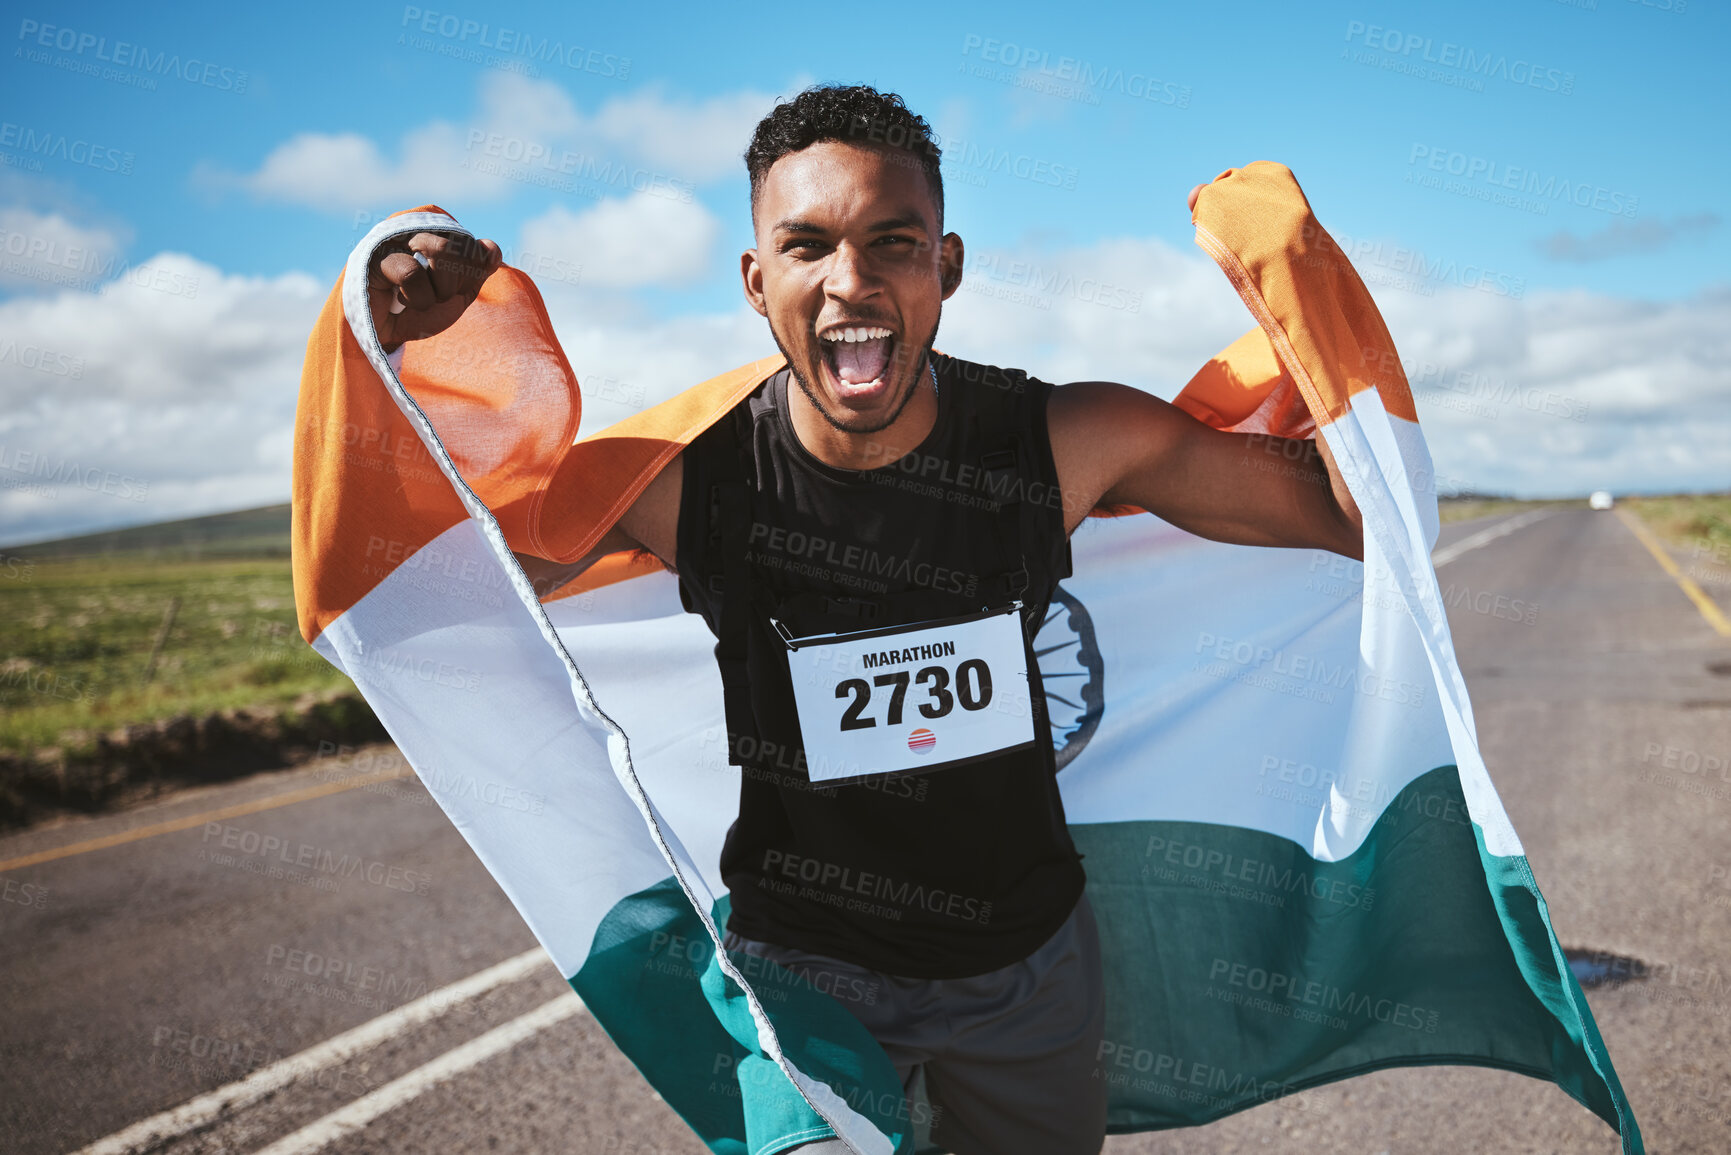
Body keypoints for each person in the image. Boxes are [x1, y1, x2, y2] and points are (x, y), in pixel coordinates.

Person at [367, 85, 1362, 1155]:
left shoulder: (1066, 439)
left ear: (949, 266)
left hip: (1023, 973)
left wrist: (1304, 287)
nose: (852, 282)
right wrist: (400, 343)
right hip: (806, 977)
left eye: (894, 242)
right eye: (807, 246)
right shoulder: (686, 482)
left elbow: (1349, 513)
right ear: (758, 282)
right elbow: (424, 586)